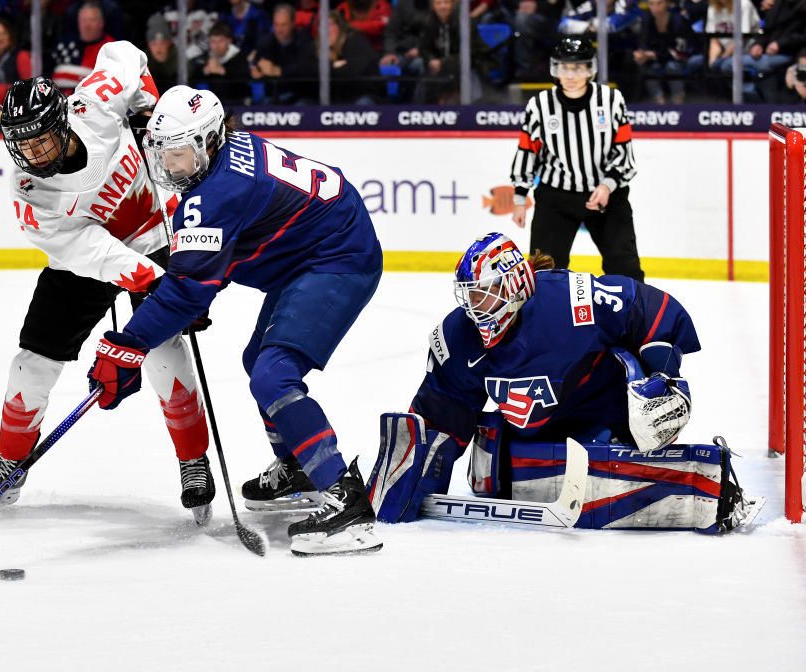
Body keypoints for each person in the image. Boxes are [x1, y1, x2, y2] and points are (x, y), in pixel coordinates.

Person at [88, 85, 384, 556]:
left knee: (273, 373)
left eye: (179, 157)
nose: (169, 168)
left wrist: (129, 343)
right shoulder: (226, 157)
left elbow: (189, 287)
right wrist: (196, 285)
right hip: (313, 251)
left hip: (338, 257)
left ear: (207, 143)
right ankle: (299, 466)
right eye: (163, 155)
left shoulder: (219, 190)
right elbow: (213, 262)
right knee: (257, 361)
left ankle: (345, 499)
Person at [0, 42, 215, 523]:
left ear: (62, 122)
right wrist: (160, 286)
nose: (33, 154)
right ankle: (10, 463)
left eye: (41, 140)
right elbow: (89, 251)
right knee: (32, 359)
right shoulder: (29, 192)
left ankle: (192, 459)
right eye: (23, 144)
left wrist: (146, 111)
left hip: (150, 234)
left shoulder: (94, 104)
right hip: (87, 261)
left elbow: (124, 53)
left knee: (165, 351)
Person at [366, 232, 753, 533]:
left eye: (484, 296)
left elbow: (656, 309)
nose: (474, 309)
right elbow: (443, 408)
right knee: (495, 468)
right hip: (542, 430)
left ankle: (638, 460)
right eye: (470, 298)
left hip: (610, 414)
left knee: (603, 449)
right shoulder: (458, 334)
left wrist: (665, 377)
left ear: (515, 286)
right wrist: (417, 474)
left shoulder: (572, 300)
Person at [510, 37, 644, 282]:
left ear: (589, 69)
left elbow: (624, 152)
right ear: (555, 69)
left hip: (607, 196)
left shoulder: (611, 101)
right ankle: (546, 320)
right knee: (543, 273)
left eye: (578, 67)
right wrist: (520, 196)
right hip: (555, 196)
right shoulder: (540, 105)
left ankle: (634, 319)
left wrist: (608, 185)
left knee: (625, 269)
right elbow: (527, 150)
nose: (570, 75)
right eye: (564, 67)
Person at [193, 21, 250, 105]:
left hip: (237, 103)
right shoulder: (206, 57)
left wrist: (222, 70)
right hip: (211, 105)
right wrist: (205, 70)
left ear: (229, 41)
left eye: (221, 41)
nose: (217, 45)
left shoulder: (239, 56)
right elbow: (193, 75)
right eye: (213, 41)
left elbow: (244, 75)